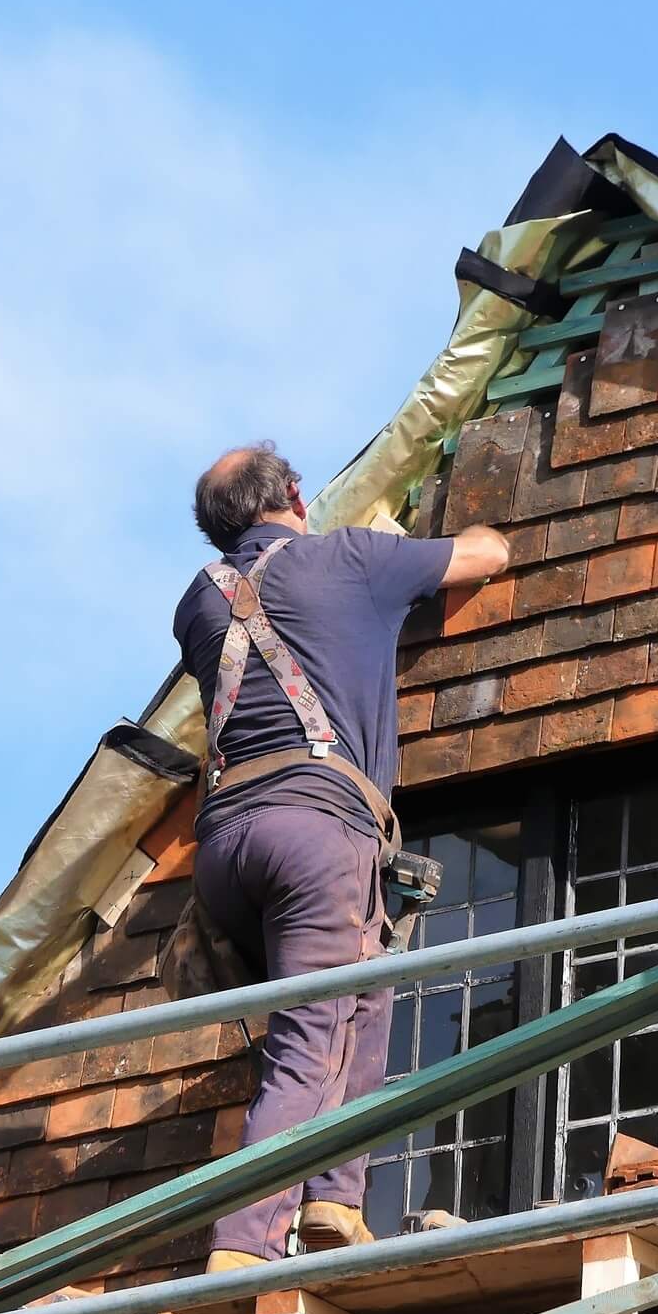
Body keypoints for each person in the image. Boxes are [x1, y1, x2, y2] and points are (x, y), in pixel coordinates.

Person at [172, 442, 508, 1271]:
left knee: (367, 993)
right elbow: (487, 554)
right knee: (311, 1035)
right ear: (294, 493)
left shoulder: (198, 601)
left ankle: (333, 1202)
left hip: (224, 846)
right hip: (316, 831)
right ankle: (243, 1242)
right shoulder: (352, 557)